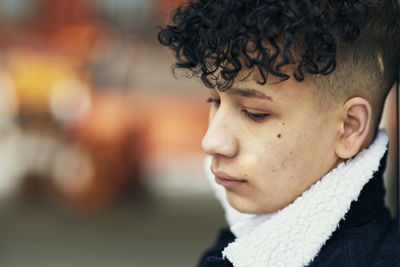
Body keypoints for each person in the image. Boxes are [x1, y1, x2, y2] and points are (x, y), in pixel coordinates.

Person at [158, 0, 400, 266]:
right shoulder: (240, 244)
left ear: (349, 127)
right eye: (214, 101)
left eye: (255, 113)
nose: (212, 142)